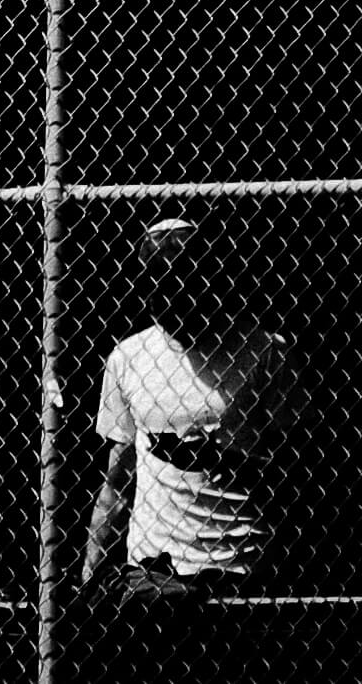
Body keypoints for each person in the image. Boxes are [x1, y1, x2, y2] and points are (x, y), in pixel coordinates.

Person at [79, 215, 296, 635]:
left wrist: (221, 460)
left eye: (182, 280)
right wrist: (91, 571)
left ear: (208, 279)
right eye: (158, 283)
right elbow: (118, 478)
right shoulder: (129, 358)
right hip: (154, 573)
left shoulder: (263, 350)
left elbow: (298, 464)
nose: (170, 296)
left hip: (239, 565)